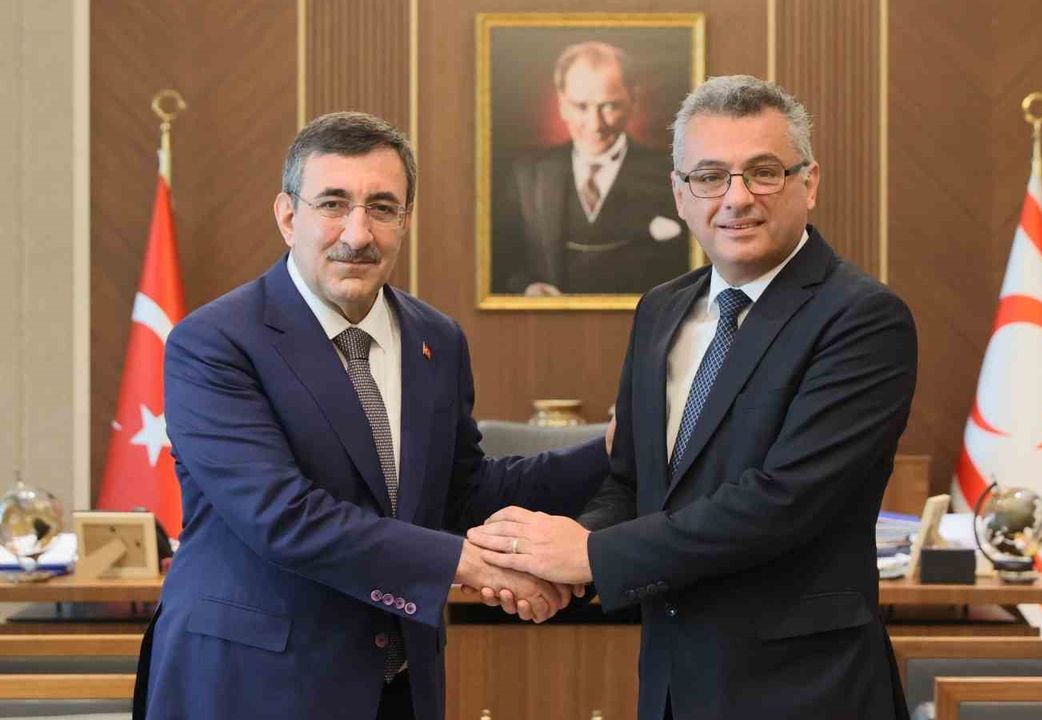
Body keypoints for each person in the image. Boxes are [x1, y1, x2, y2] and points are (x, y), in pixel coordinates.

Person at [133, 112, 609, 720]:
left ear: (405, 219)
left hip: (399, 687)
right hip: (251, 685)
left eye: (382, 208)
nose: (357, 234)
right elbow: (283, 515)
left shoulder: (436, 339)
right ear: (288, 216)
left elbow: (462, 491)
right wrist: (468, 564)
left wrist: (613, 449)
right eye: (333, 204)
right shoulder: (215, 341)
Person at [470, 76, 917, 719]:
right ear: (680, 193)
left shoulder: (862, 318)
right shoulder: (661, 311)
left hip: (806, 690)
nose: (737, 197)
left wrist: (589, 556)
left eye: (763, 172)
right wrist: (568, 554)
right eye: (709, 176)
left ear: (809, 182)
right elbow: (631, 481)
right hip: (673, 685)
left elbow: (784, 502)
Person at [500, 41, 689, 296]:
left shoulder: (673, 175)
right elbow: (503, 261)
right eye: (581, 106)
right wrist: (527, 288)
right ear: (562, 105)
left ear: (633, 101)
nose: (595, 125)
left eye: (609, 106)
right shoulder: (527, 174)